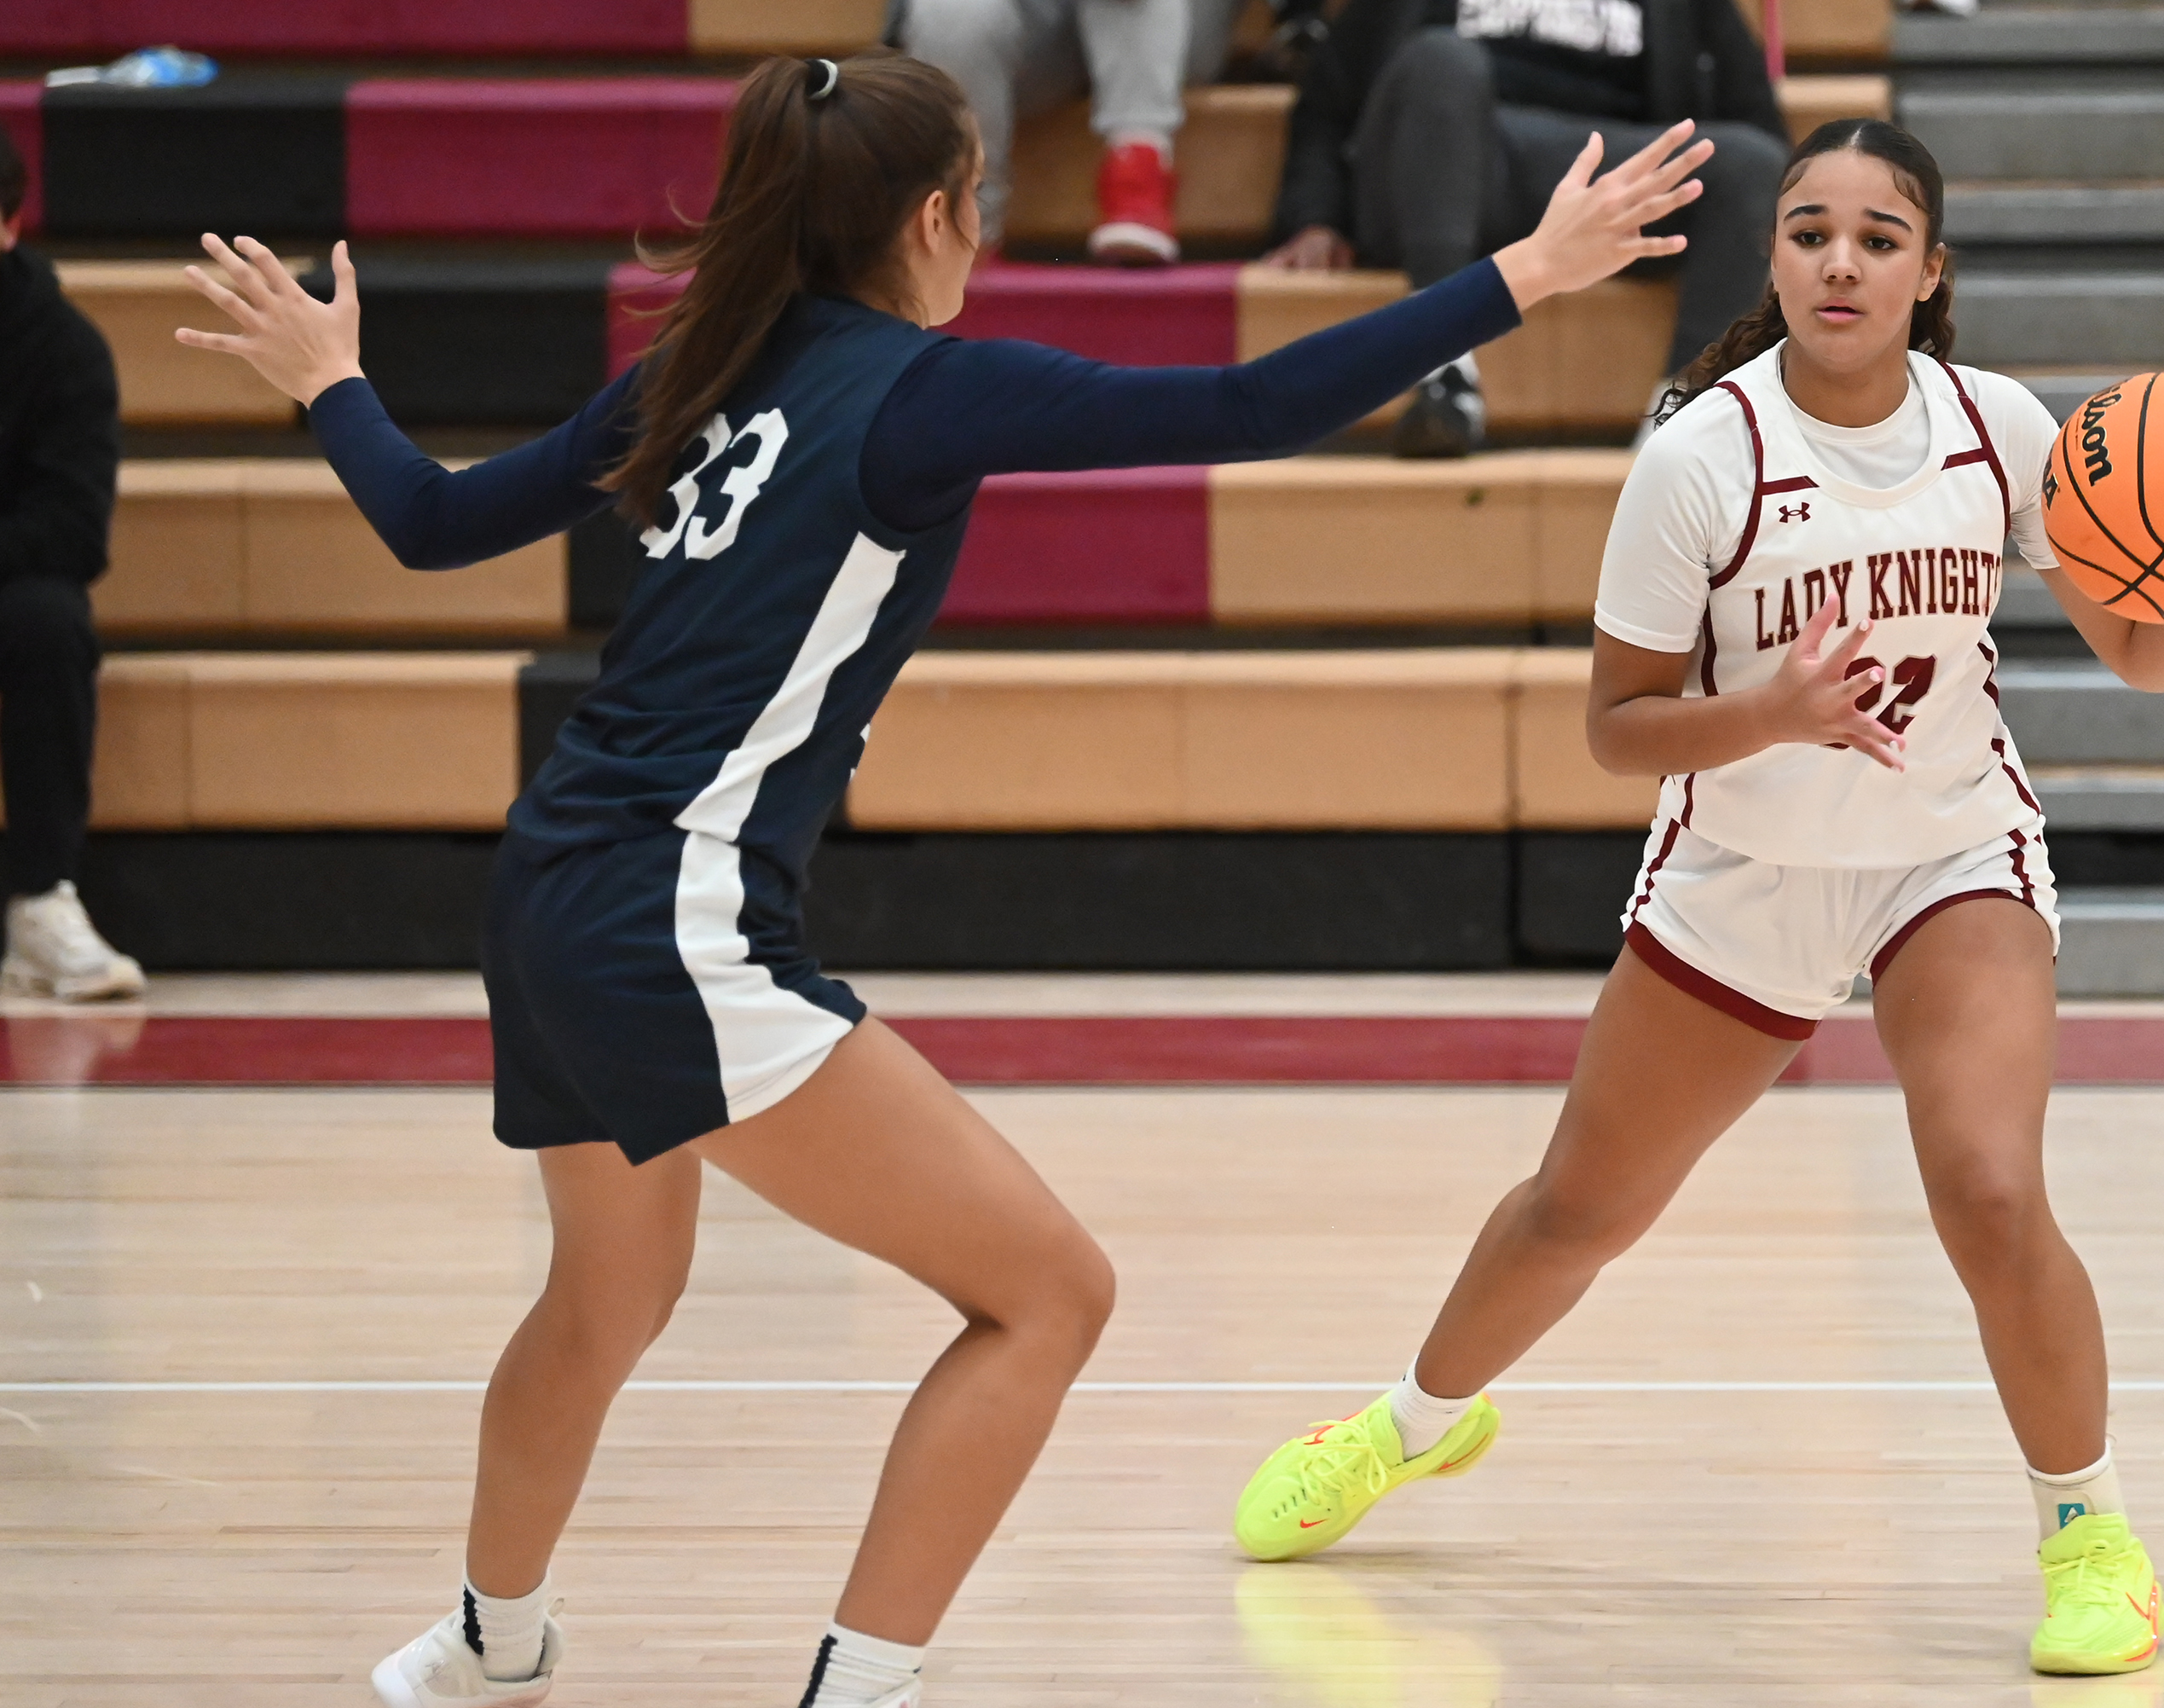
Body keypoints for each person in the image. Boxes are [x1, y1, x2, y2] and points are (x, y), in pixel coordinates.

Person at [176, 50, 1711, 1708]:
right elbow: (1243, 409)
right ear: (930, 215)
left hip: (546, 887)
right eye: (977, 194)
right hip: (672, 913)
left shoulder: (696, 365)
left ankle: (491, 1638)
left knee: (607, 1291)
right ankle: (863, 1679)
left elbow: (429, 518)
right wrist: (1522, 276)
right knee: (1049, 1291)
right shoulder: (921, 388)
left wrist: (333, 380)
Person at [1231, 119, 2164, 1679]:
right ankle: (1408, 1425)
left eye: (1879, 237)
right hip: (1743, 863)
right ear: (1775, 259)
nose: (1841, 259)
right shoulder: (1699, 456)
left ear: (1930, 272)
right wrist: (1767, 717)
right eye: (1810, 230)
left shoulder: (2000, 428)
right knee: (1576, 1211)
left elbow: (2141, 657)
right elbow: (1615, 730)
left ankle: (2093, 1533)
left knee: (1992, 1192)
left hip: (1947, 851)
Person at [1264, 0, 1793, 457]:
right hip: (1453, 172)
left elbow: (1755, 116)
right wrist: (1316, 217)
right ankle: (1443, 373)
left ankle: (1682, 422)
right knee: (1440, 59)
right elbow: (1327, 101)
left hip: (1612, 181)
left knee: (1753, 164)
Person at [0, 127, 147, 1002]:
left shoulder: (62, 347)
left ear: (10, 224)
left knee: (50, 620)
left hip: (9, 582)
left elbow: (73, 531)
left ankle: (39, 901)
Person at [891, 0, 1237, 264]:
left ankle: (1139, 165)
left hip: (1172, 30)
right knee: (951, 14)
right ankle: (965, 222)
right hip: (1031, 38)